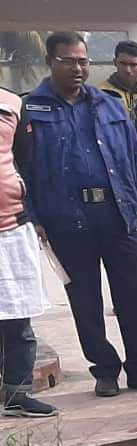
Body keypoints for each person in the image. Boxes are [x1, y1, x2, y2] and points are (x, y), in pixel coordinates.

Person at [18, 32, 137, 397]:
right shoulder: (32, 108)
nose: (78, 68)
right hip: (66, 220)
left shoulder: (108, 105)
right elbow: (19, 169)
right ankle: (104, 369)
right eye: (68, 61)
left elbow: (136, 158)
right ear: (50, 62)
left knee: (134, 295)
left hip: (117, 213)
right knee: (85, 299)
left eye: (83, 61)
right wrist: (34, 218)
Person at [0, 85, 56, 418]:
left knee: (18, 316)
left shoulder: (11, 103)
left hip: (12, 227)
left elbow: (26, 161)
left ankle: (18, 394)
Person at [99, 39, 137, 118]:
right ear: (114, 62)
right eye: (123, 64)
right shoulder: (101, 92)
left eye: (133, 65)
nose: (128, 70)